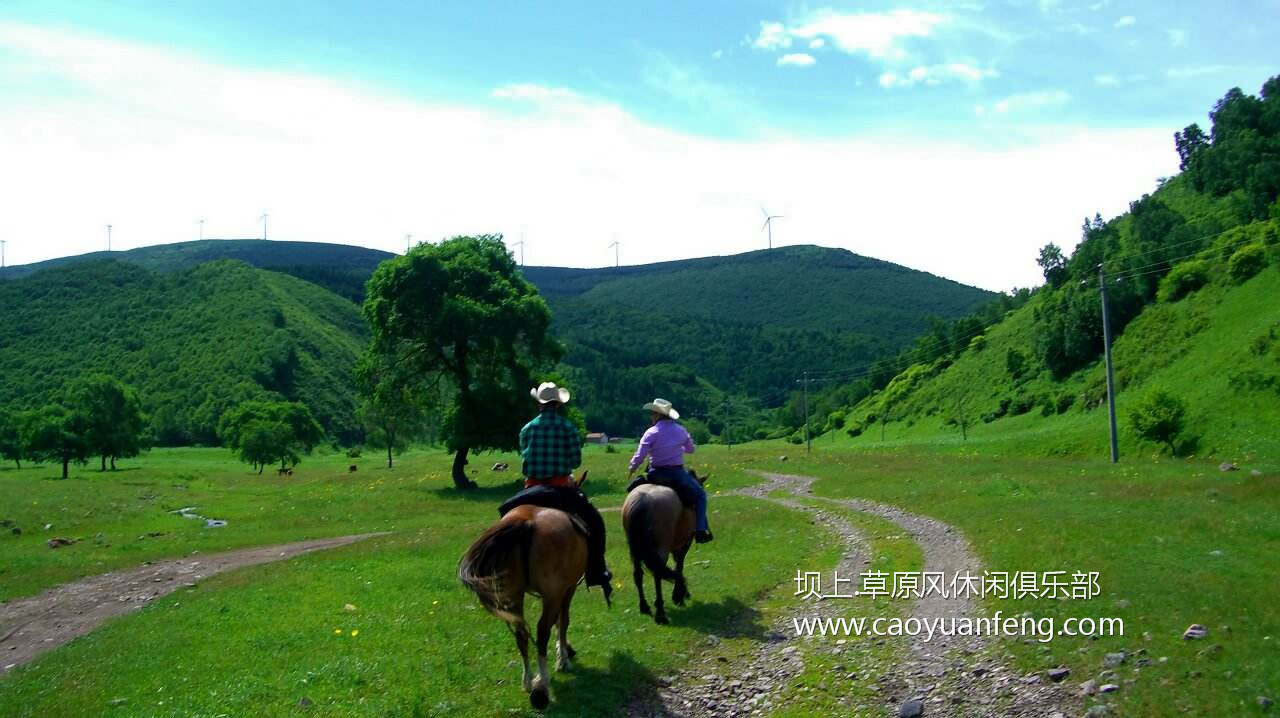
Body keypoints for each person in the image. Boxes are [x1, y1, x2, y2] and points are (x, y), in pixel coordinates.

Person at [501, 381, 613, 599]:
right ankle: (596, 570)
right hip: (560, 487)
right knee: (595, 522)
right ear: (558, 405)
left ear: (539, 404)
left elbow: (525, 458)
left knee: (504, 516)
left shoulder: (527, 429)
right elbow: (575, 460)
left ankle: (500, 570)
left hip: (531, 487)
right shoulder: (568, 428)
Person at [626, 398, 713, 543]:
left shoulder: (650, 432)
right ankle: (700, 530)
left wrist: (632, 468)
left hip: (655, 474)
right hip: (677, 475)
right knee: (700, 496)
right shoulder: (680, 430)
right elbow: (691, 449)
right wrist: (677, 447)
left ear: (659, 415)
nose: (652, 416)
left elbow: (640, 455)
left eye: (653, 414)